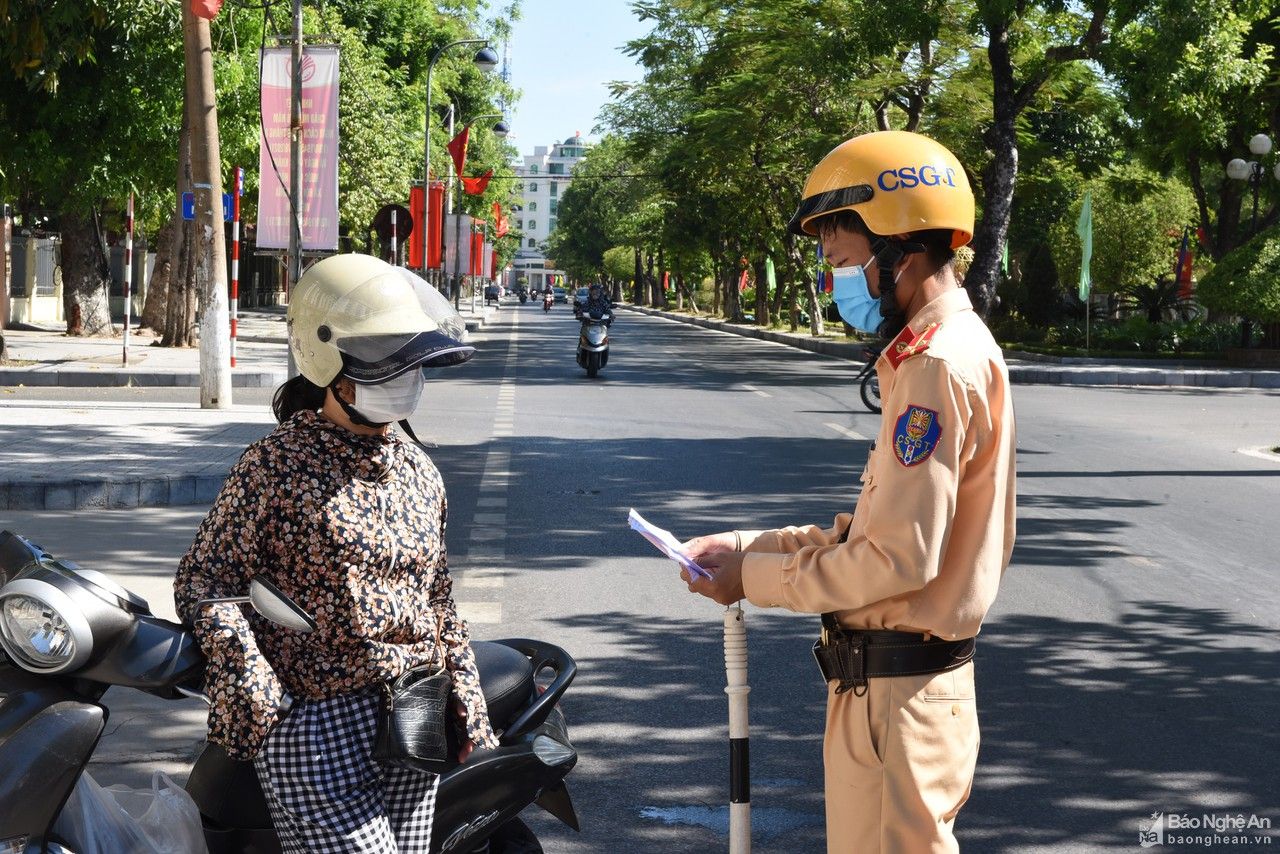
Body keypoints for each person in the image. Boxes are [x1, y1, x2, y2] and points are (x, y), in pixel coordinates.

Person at [681, 130, 1016, 853]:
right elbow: (869, 534)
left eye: (844, 262)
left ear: (904, 249)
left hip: (899, 700)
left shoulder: (935, 368)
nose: (838, 285)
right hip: (889, 693)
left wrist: (754, 578)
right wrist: (746, 549)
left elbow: (895, 560)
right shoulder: (939, 354)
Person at [175, 254, 499, 852]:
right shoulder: (275, 466)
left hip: (414, 712)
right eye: (384, 357)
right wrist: (258, 693)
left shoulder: (419, 472)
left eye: (409, 354)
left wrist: (470, 711)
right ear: (328, 363)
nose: (406, 373)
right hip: (315, 721)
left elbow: (440, 603)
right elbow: (205, 584)